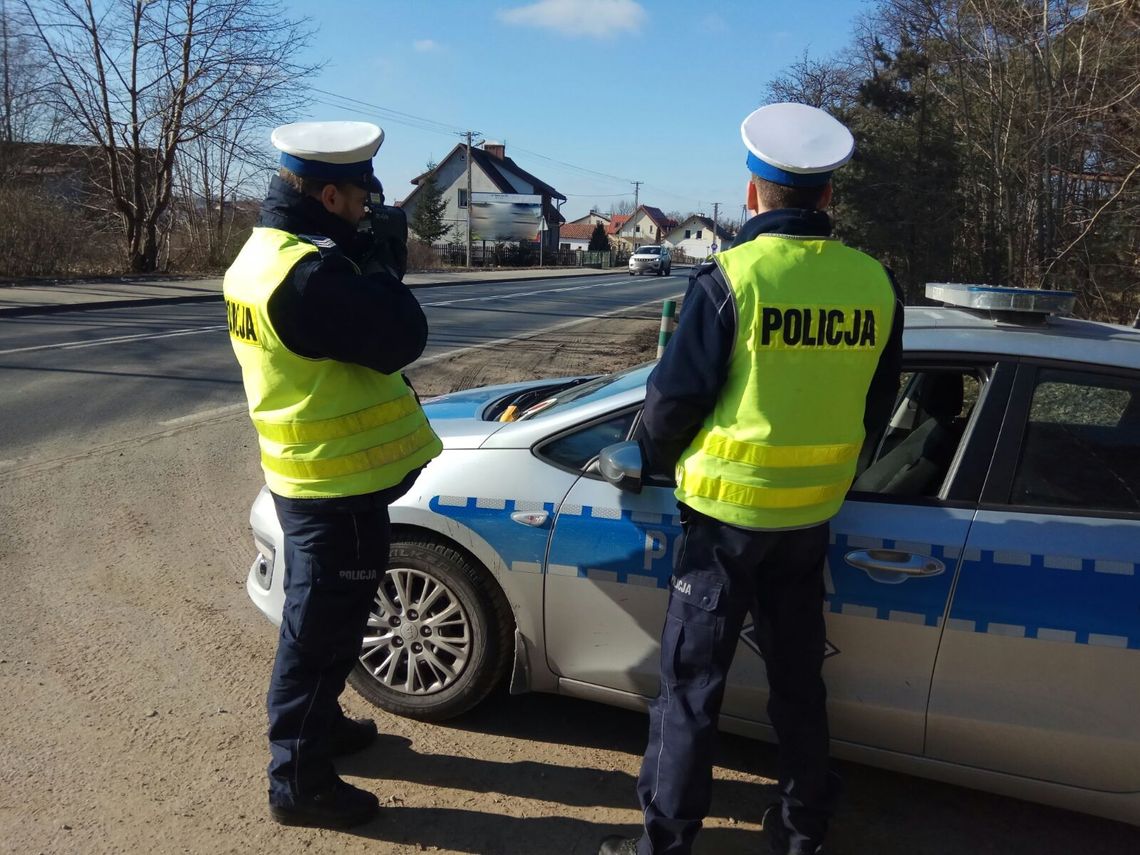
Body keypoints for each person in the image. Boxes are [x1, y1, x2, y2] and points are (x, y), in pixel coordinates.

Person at [599, 103, 904, 855]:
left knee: (690, 692)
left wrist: (643, 454)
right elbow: (878, 399)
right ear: (828, 197)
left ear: (751, 195)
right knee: (799, 684)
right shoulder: (875, 284)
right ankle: (804, 832)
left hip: (724, 528)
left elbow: (672, 404)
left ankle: (663, 847)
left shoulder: (731, 279)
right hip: (808, 525)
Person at [223, 120, 442, 829]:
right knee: (317, 635)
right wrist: (378, 263)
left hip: (308, 477)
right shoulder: (312, 277)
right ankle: (299, 780)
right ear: (326, 195)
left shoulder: (262, 257)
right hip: (334, 488)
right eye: (359, 199)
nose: (368, 209)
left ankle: (322, 726)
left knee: (328, 623)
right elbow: (402, 335)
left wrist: (358, 252)